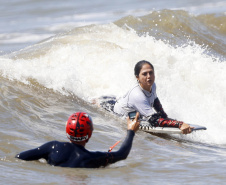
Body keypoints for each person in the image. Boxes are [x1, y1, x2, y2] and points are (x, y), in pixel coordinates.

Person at [15, 112, 140, 168]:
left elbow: (19, 157)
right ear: (90, 134)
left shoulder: (52, 147)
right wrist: (130, 131)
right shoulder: (93, 158)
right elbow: (122, 154)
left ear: (67, 132)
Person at [113, 60, 192, 134]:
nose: (149, 76)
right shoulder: (137, 95)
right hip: (121, 114)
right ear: (137, 77)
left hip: (136, 111)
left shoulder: (152, 85)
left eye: (151, 73)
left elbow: (155, 101)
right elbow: (154, 120)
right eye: (144, 74)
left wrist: (168, 119)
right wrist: (179, 124)